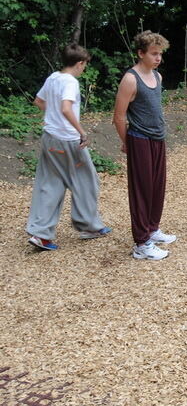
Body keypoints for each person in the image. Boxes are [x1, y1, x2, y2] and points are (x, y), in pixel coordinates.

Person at [26, 43, 112, 251]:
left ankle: (41, 234)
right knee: (87, 180)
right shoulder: (70, 82)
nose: (84, 68)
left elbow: (38, 101)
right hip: (67, 140)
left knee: (51, 183)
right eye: (85, 65)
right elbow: (66, 108)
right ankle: (88, 226)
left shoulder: (53, 78)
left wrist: (52, 114)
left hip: (50, 137)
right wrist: (81, 132)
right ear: (80, 63)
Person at [112, 30, 177, 261]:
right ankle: (141, 243)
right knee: (142, 190)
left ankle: (152, 228)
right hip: (139, 139)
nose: (158, 58)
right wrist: (127, 142)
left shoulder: (157, 77)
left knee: (157, 186)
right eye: (153, 54)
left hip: (158, 138)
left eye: (160, 54)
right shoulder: (131, 79)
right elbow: (118, 117)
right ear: (140, 53)